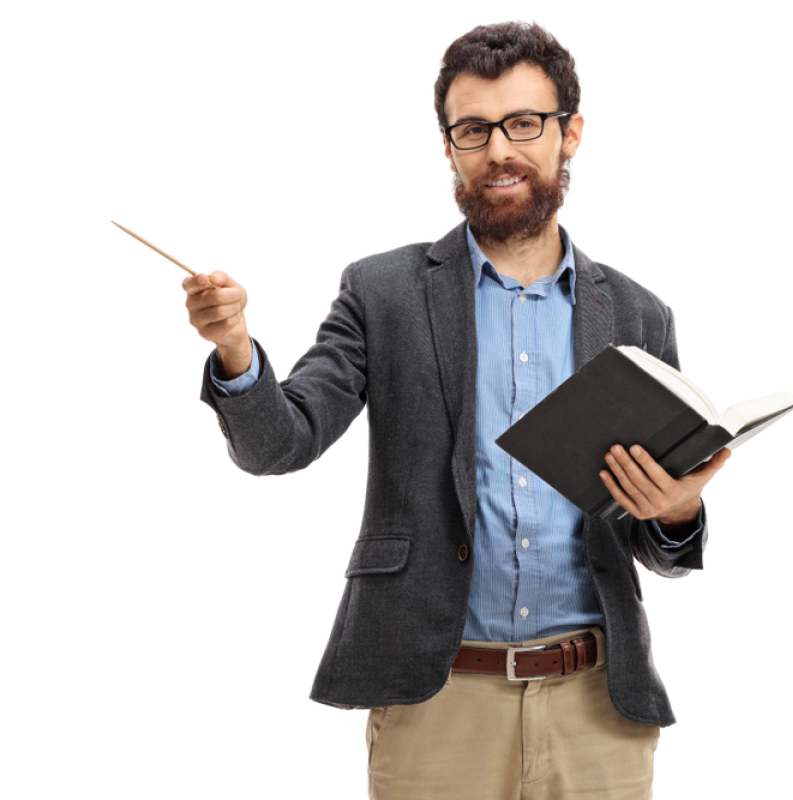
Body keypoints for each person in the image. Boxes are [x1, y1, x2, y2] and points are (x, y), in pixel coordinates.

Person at [182, 21, 730, 800]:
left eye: (523, 124)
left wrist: (678, 513)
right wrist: (236, 348)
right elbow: (282, 443)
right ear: (449, 147)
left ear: (570, 134)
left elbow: (658, 544)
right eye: (473, 129)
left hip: (599, 709)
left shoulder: (639, 315)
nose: (499, 149)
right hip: (438, 699)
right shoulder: (383, 293)